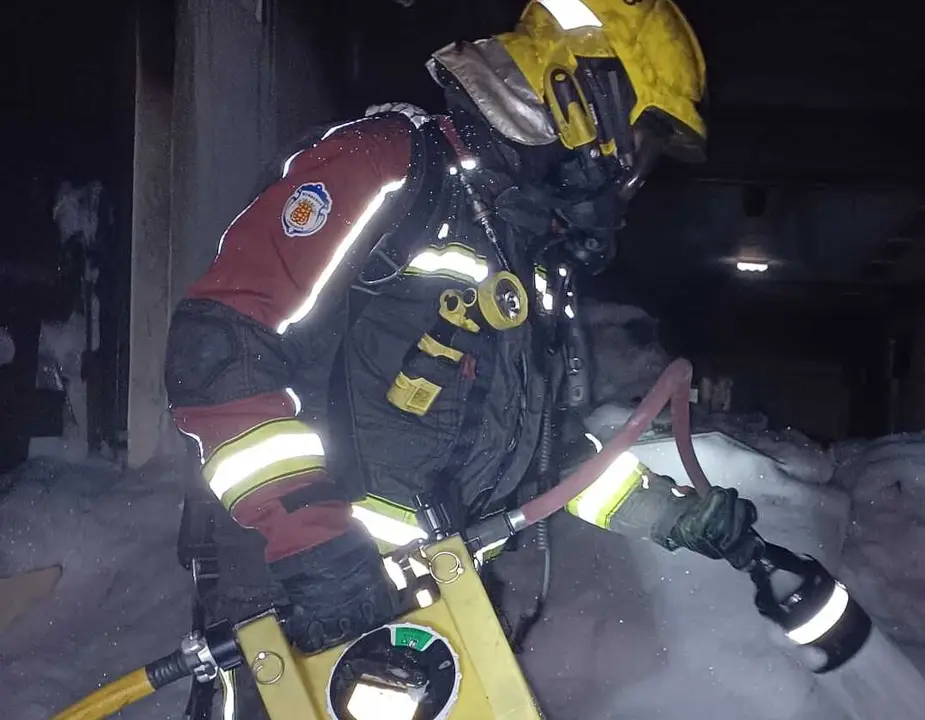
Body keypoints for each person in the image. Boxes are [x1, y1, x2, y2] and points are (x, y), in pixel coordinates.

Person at [165, 0, 761, 687]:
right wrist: (314, 544)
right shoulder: (390, 167)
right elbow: (220, 349)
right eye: (641, 141)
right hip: (295, 597)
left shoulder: (524, 256)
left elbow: (545, 466)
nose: (633, 179)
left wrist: (673, 513)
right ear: (581, 91)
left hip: (425, 605)